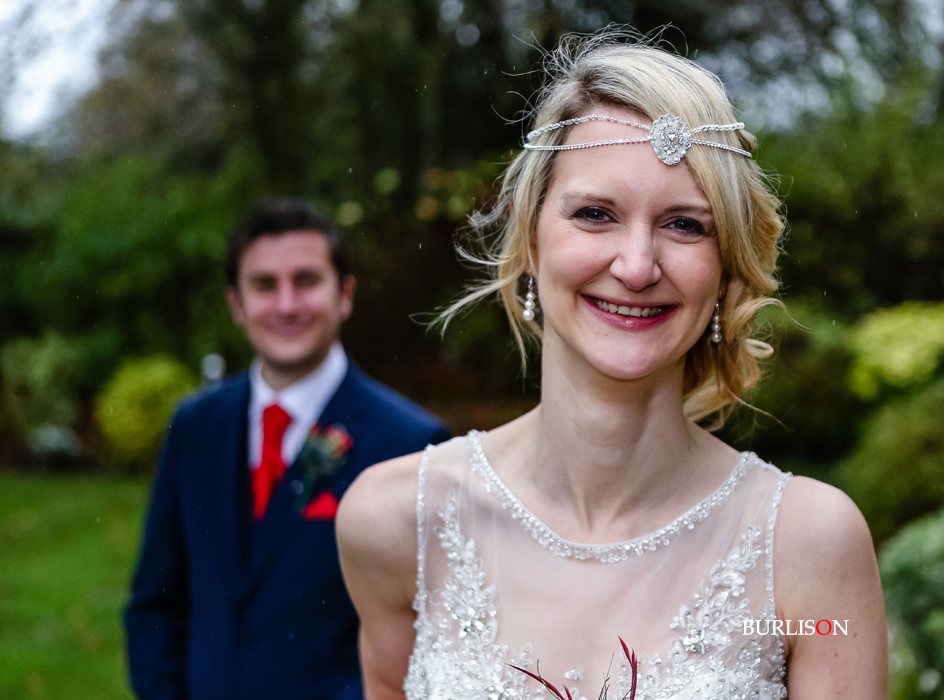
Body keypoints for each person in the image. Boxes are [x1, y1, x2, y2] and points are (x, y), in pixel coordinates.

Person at [336, 34, 888, 700]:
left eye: (685, 225)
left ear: (725, 268)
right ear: (532, 239)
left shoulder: (809, 545)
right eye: (595, 214)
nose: (635, 266)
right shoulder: (397, 523)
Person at [124, 199, 450, 700]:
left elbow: (430, 641)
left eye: (306, 280)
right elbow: (156, 601)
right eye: (264, 285)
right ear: (236, 304)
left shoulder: (411, 444)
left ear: (344, 295)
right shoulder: (194, 427)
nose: (285, 304)